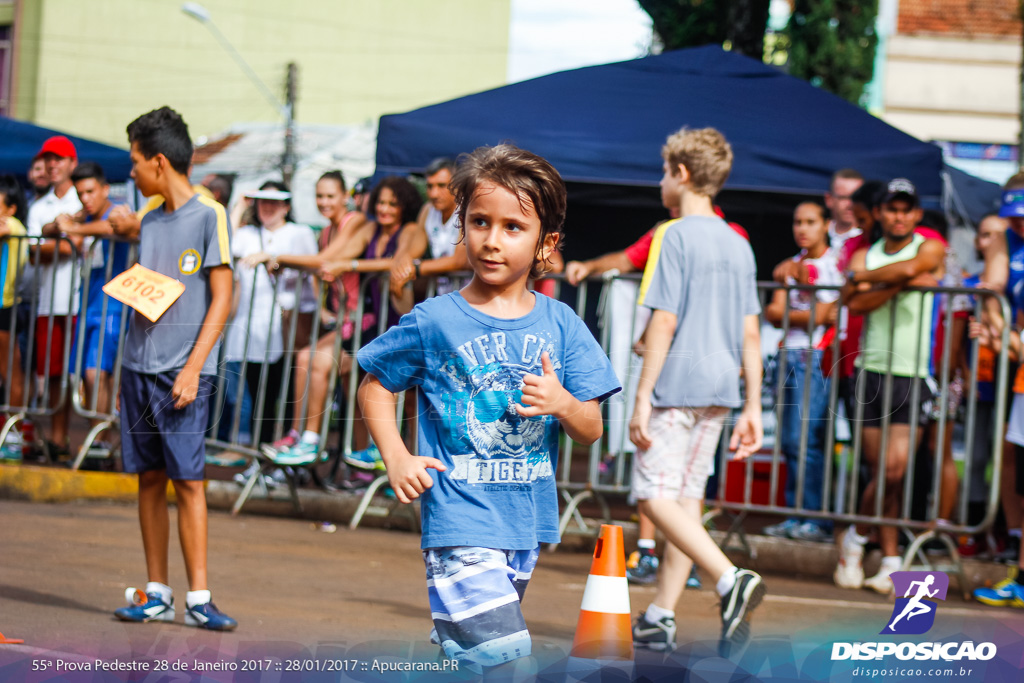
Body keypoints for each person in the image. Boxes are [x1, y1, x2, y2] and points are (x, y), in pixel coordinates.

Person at [357, 144, 620, 675]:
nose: (492, 240)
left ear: (546, 242)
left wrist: (563, 402)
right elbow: (375, 386)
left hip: (525, 525)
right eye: (479, 221)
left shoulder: (562, 322)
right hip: (458, 521)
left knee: (477, 662)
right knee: (508, 663)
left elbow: (590, 428)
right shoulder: (435, 320)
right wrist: (397, 457)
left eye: (512, 227)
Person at [628, 127, 765, 657]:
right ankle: (660, 615)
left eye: (665, 171)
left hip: (676, 387)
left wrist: (642, 395)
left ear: (681, 174)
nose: (662, 180)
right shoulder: (739, 242)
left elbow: (664, 320)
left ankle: (730, 579)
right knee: (685, 502)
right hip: (720, 389)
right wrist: (752, 403)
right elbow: (750, 332)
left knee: (652, 495)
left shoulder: (676, 234)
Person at [113, 106, 236, 630]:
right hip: (136, 365)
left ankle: (199, 597)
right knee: (148, 479)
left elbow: (223, 297)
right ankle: (157, 590)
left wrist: (193, 367)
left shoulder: (210, 215)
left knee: (188, 482)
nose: (132, 173)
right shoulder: (147, 217)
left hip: (182, 372)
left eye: (136, 162)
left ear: (159, 161)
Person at [266, 176, 426, 465]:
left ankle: (381, 457)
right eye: (380, 202)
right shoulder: (369, 229)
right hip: (369, 323)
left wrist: (349, 265)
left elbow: (398, 263)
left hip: (396, 323)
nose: (385, 209)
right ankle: (315, 441)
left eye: (393, 204)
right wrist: (284, 259)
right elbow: (330, 258)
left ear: (406, 206)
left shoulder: (412, 230)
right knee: (343, 376)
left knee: (393, 393)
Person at [835, 178, 944, 595]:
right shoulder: (864, 250)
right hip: (872, 370)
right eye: (892, 208)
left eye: (906, 209)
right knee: (881, 472)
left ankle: (857, 539)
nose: (899, 216)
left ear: (916, 213)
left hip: (914, 373)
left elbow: (915, 267)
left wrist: (876, 280)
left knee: (894, 471)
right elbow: (854, 300)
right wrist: (900, 281)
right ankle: (892, 557)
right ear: (881, 213)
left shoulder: (928, 245)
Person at [762, 201, 841, 542]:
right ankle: (796, 515)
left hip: (816, 356)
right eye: (797, 222)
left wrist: (799, 306)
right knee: (791, 441)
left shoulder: (833, 264)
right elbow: (773, 312)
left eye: (810, 221)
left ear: (826, 225)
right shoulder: (792, 264)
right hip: (789, 355)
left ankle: (813, 518)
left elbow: (826, 315)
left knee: (806, 440)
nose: (802, 228)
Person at [227, 182, 317, 452]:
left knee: (286, 393)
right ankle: (259, 452)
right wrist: (240, 205)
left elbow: (313, 263)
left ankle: (285, 453)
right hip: (252, 327)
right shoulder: (247, 233)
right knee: (258, 395)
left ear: (286, 206)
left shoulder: (298, 232)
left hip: (287, 326)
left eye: (275, 202)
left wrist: (275, 257)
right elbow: (224, 243)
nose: (267, 207)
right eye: (261, 201)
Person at [57, 162, 131, 458]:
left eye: (90, 191)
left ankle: (100, 440)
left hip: (113, 305)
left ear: (103, 189)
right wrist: (64, 222)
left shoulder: (118, 211)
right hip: (88, 303)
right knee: (86, 375)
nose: (85, 198)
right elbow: (54, 228)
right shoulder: (84, 215)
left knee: (96, 372)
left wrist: (75, 226)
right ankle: (98, 438)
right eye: (80, 193)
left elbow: (115, 226)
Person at [26, 135, 82, 460]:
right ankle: (56, 438)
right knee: (51, 373)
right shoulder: (39, 207)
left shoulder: (83, 202)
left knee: (74, 375)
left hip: (77, 299)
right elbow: (34, 253)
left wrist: (53, 241)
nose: (52, 164)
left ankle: (65, 438)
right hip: (48, 301)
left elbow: (78, 245)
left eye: (58, 158)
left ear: (71, 163)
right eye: (48, 159)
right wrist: (62, 236)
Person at [389, 157, 468, 299]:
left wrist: (416, 269)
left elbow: (460, 260)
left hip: (470, 299)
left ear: (457, 186)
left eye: (441, 185)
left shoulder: (468, 210)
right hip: (445, 296)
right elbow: (413, 252)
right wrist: (400, 269)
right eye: (430, 186)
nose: (433, 193)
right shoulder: (427, 210)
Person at [0, 175, 29, 456]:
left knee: (11, 372)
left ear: (10, 208)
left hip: (4, 307)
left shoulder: (13, 225)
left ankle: (15, 436)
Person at [825, 168, 864, 259]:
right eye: (843, 198)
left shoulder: (871, 241)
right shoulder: (816, 235)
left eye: (855, 198)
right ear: (829, 200)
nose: (850, 204)